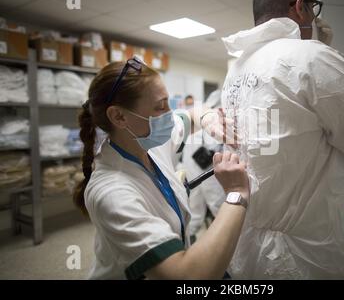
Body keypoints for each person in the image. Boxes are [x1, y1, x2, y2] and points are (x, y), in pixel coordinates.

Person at [220, 0, 344, 279]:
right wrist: (331, 64)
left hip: (245, 251)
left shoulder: (237, 70)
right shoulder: (312, 58)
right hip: (301, 260)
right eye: (312, 8)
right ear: (300, 8)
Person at [73, 57, 250, 280]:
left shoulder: (149, 142)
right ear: (119, 116)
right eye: (160, 106)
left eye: (168, 103)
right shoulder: (112, 193)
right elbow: (187, 276)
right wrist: (236, 194)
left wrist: (207, 118)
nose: (170, 114)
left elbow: (193, 113)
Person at [179, 90, 226, 240]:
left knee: (195, 211)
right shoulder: (213, 119)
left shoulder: (202, 116)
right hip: (205, 169)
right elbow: (215, 147)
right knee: (217, 207)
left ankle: (189, 239)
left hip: (195, 169)